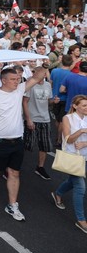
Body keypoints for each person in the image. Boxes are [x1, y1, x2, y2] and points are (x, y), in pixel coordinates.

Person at [0, 67, 47, 221]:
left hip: (17, 140)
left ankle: (12, 205)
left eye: (18, 79)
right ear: (3, 80)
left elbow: (37, 76)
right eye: (13, 79)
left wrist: (45, 65)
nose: (17, 81)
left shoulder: (20, 89)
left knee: (14, 172)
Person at [51, 94, 87, 234]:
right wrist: (81, 131)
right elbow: (68, 140)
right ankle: (81, 220)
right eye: (84, 105)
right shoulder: (68, 118)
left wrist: (85, 143)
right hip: (73, 157)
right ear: (75, 106)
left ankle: (58, 194)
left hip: (85, 156)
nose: (86, 108)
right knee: (80, 186)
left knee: (73, 181)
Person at [22, 67, 54, 180]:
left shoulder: (48, 85)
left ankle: (40, 167)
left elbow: (48, 101)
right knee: (27, 144)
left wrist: (53, 101)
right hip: (33, 118)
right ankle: (14, 166)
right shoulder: (30, 84)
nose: (43, 74)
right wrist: (28, 119)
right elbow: (24, 102)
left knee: (44, 145)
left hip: (45, 118)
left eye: (44, 73)